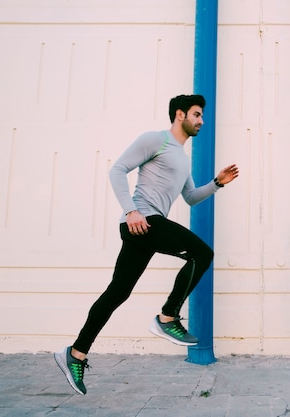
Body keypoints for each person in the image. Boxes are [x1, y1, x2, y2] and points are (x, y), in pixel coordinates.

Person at [55, 94, 239, 395]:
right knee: (202, 254)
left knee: (117, 293)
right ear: (180, 114)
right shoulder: (156, 140)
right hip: (142, 221)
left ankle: (75, 354)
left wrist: (217, 183)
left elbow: (191, 198)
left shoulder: (181, 157)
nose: (201, 121)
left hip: (146, 229)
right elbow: (117, 170)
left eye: (202, 116)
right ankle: (167, 317)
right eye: (197, 114)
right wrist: (131, 210)